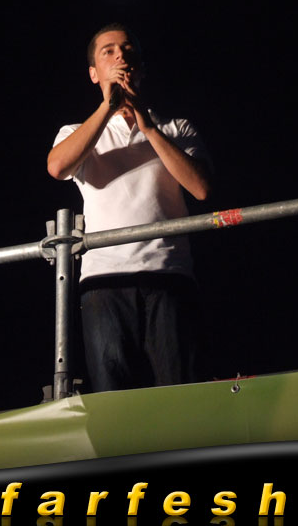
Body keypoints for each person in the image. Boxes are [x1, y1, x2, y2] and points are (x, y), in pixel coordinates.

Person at [47, 23, 213, 393]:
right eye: (108, 51)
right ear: (94, 73)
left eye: (128, 49)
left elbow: (201, 188)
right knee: (114, 396)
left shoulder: (176, 127)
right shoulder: (76, 131)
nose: (121, 56)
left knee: (180, 393)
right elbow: (57, 167)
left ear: (142, 67)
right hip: (104, 281)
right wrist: (108, 107)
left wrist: (148, 127)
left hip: (168, 274)